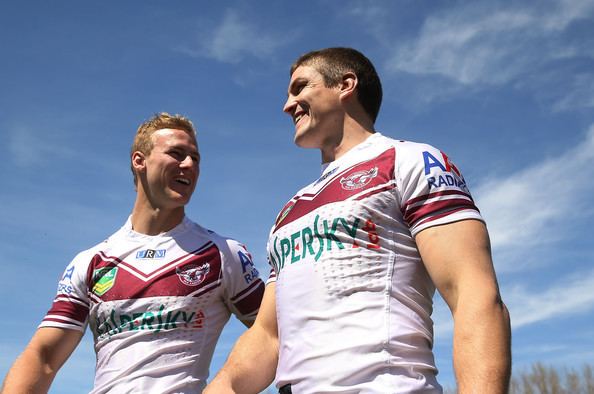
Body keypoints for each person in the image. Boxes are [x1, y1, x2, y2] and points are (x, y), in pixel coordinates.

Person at [205, 48, 511, 393]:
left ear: (345, 85)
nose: (287, 105)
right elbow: (268, 334)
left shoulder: (410, 160)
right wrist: (223, 386)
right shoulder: (288, 212)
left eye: (300, 88)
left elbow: (474, 294)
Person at [1, 113, 265, 393]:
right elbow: (44, 359)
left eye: (195, 158)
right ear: (139, 161)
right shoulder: (91, 261)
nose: (189, 164)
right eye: (176, 153)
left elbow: (272, 334)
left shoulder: (223, 253)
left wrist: (225, 386)